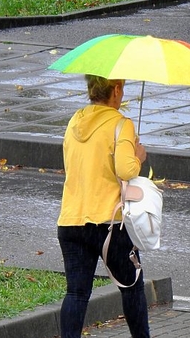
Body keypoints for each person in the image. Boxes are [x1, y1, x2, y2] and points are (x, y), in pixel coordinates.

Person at [57, 75, 149, 338]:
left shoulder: (75, 121)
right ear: (116, 89)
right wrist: (138, 157)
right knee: (132, 286)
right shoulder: (121, 125)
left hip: (71, 221)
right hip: (110, 224)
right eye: (123, 88)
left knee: (76, 293)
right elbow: (125, 169)